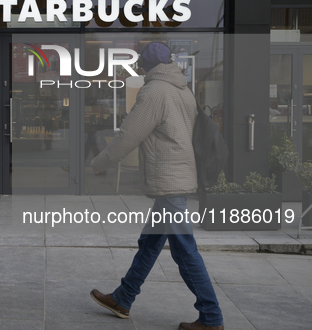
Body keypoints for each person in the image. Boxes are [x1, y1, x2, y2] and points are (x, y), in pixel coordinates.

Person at [89, 42, 224, 330]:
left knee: (184, 251)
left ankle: (211, 317)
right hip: (178, 176)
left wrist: (97, 163)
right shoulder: (182, 89)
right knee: (150, 243)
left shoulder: (153, 92)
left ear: (146, 67)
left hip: (170, 180)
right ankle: (123, 298)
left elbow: (128, 136)